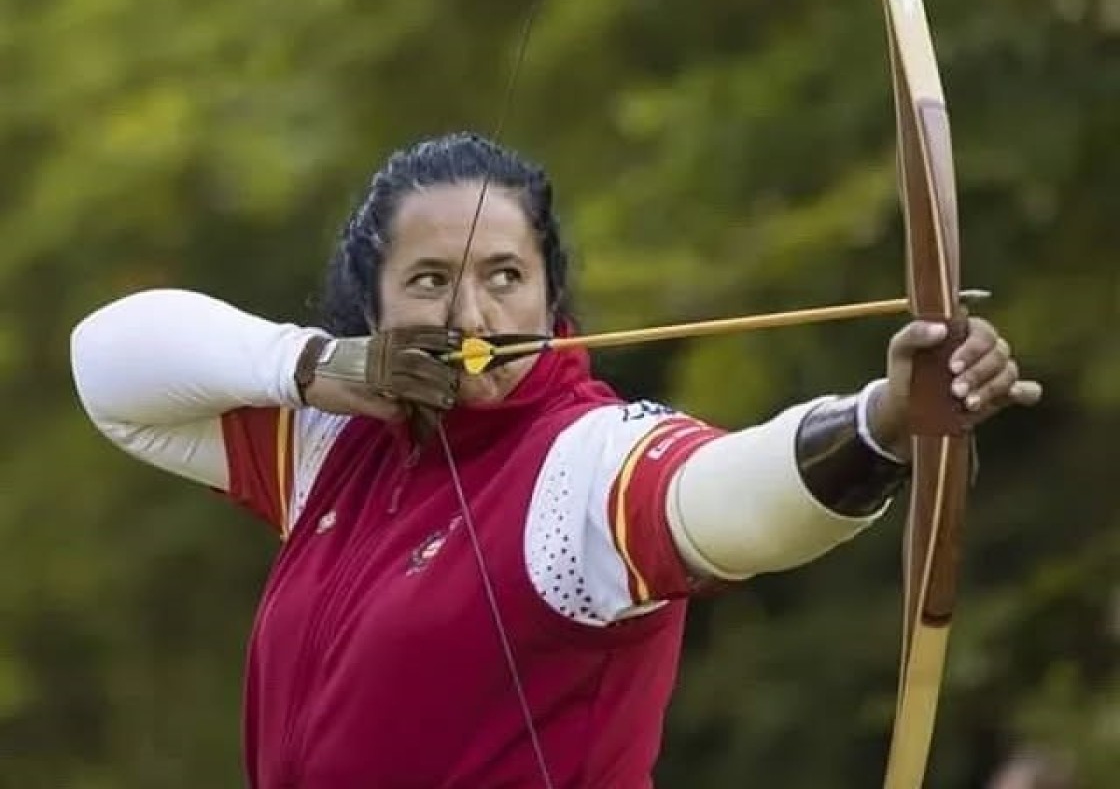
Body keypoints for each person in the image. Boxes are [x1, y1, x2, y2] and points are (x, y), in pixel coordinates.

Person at [70, 131, 1041, 789]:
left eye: (504, 277)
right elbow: (109, 364)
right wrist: (318, 366)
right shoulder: (332, 446)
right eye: (428, 279)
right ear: (372, 305)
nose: (472, 316)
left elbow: (724, 499)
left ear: (549, 298)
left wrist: (879, 420)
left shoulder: (582, 461)